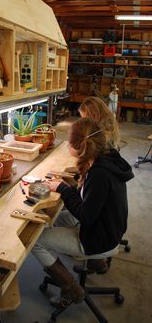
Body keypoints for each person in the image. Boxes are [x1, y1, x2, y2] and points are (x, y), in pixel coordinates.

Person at [32, 118, 134, 308]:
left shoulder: (99, 174)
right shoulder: (108, 158)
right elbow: (93, 198)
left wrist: (62, 188)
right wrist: (74, 182)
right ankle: (96, 263)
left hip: (97, 238)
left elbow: (85, 215)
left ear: (81, 146)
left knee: (34, 240)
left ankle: (71, 288)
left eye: (70, 143)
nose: (68, 146)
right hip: (110, 228)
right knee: (49, 217)